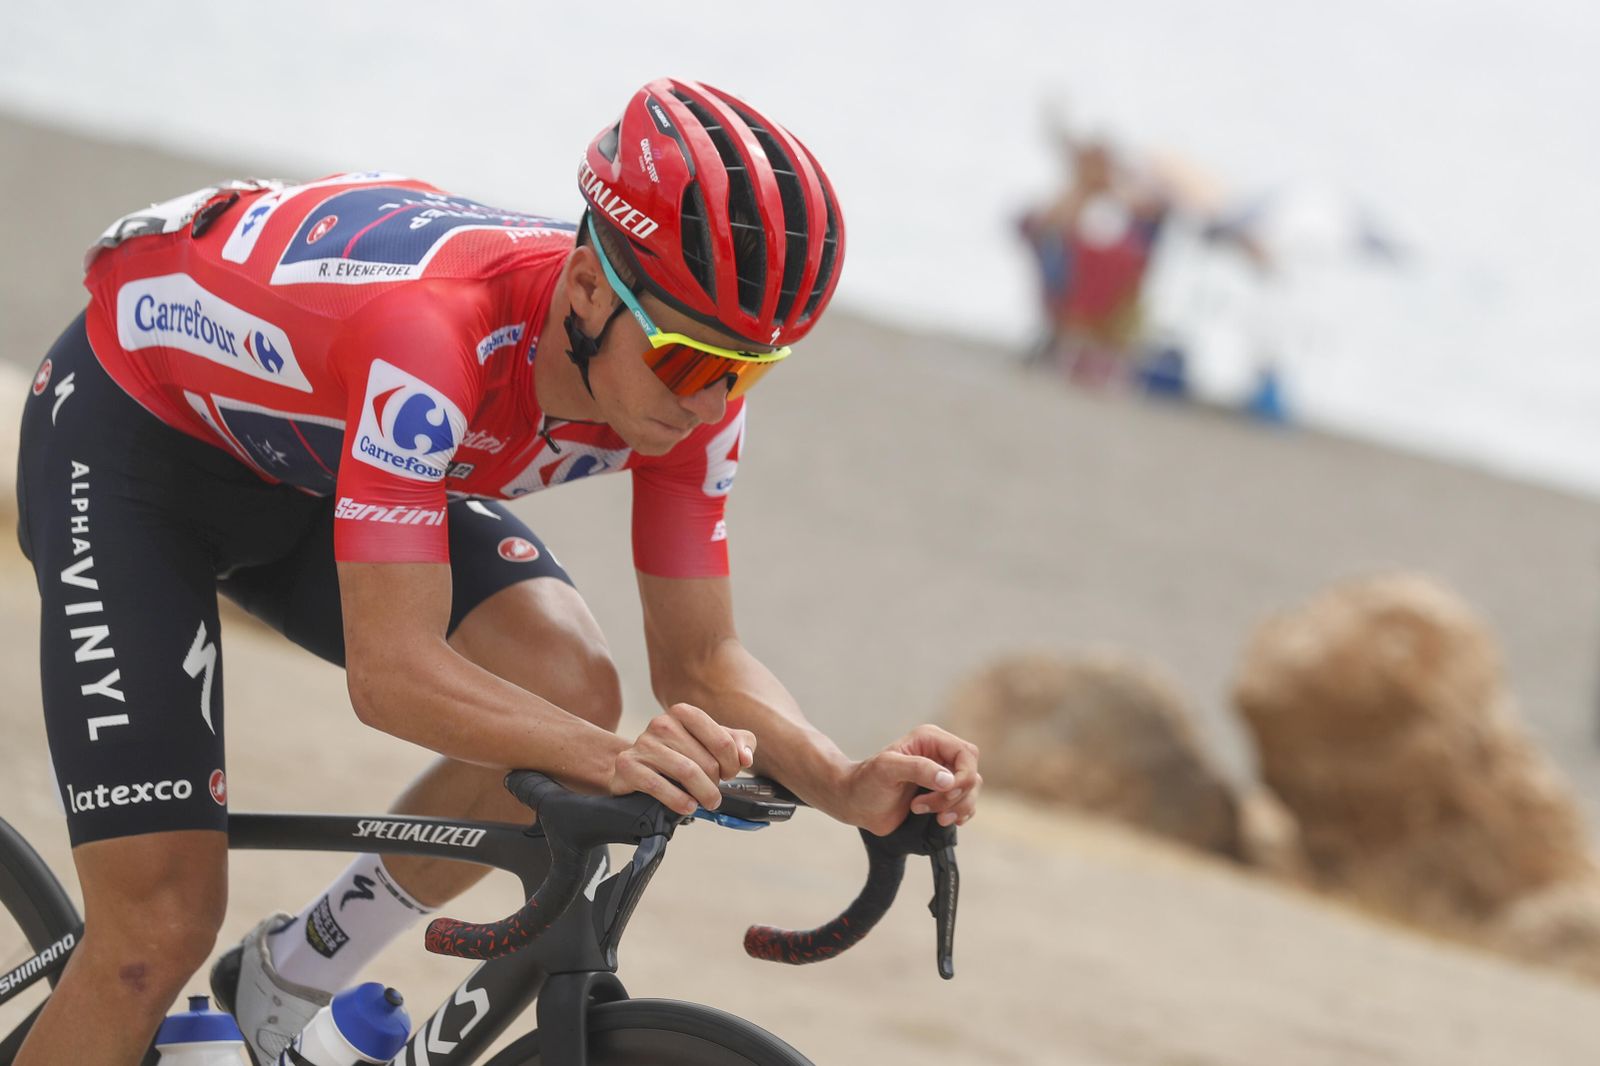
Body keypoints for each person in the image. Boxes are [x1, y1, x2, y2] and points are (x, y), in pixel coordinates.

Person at [13, 78, 982, 1066]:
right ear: (591, 289)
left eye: (752, 370)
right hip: (135, 449)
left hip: (319, 454)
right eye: (694, 364)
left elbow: (701, 657)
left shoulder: (686, 387)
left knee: (567, 686)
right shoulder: (435, 336)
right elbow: (391, 673)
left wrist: (840, 776)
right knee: (157, 928)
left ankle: (290, 974)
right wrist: (603, 756)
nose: (714, 403)